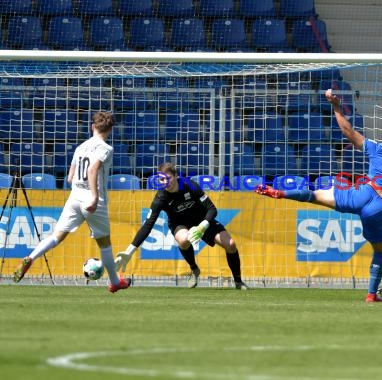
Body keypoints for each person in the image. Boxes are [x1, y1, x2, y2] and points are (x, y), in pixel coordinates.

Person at [255, 89, 382, 303]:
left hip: (361, 194)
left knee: (315, 195)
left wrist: (336, 106)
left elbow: (347, 130)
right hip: (380, 207)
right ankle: (371, 295)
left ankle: (281, 192)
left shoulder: (378, 149)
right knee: (380, 250)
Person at [13, 112, 131, 293]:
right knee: (105, 245)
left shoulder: (80, 147)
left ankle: (30, 257)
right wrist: (93, 195)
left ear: (93, 127)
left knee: (56, 237)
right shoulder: (106, 148)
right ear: (111, 129)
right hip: (93, 199)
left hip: (75, 196)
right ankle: (115, 282)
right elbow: (92, 170)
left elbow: (69, 177)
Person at [114, 162, 249, 290]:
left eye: (168, 178)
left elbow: (212, 209)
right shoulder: (161, 198)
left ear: (176, 176)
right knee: (184, 240)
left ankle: (238, 281)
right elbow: (147, 226)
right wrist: (129, 251)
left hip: (202, 221)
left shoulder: (190, 185)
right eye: (161, 179)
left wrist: (203, 225)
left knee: (230, 244)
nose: (165, 182)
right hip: (179, 224)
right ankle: (194, 269)